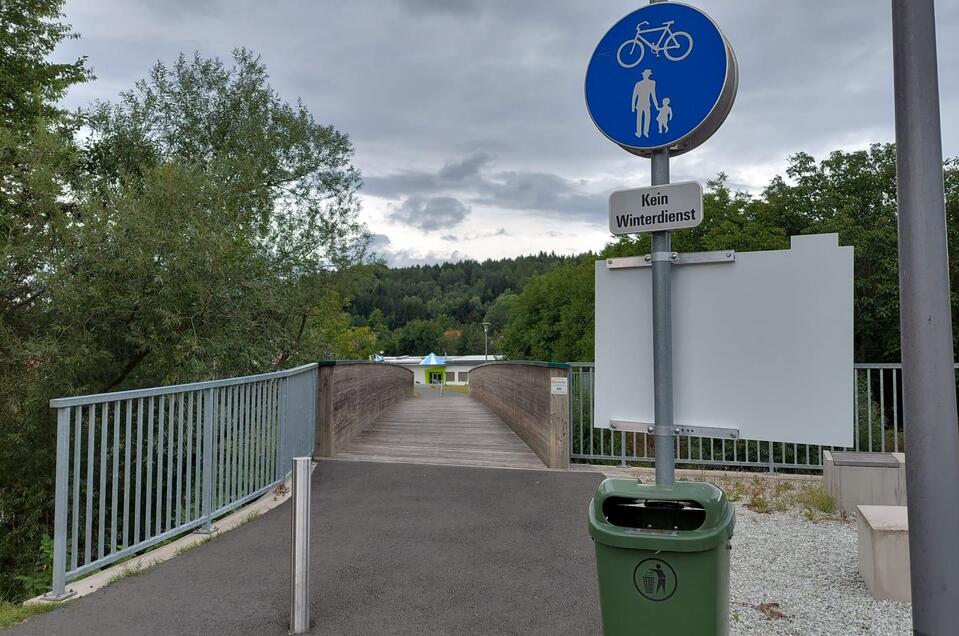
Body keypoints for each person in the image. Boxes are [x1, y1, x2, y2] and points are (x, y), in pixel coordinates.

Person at [631, 69, 658, 138]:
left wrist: (656, 106)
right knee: (639, 118)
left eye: (647, 74)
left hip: (647, 103)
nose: (645, 75)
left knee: (648, 117)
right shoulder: (638, 84)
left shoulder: (652, 83)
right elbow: (634, 95)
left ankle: (646, 132)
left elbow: (653, 95)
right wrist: (633, 106)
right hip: (639, 104)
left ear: (649, 75)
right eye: (645, 74)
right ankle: (638, 132)